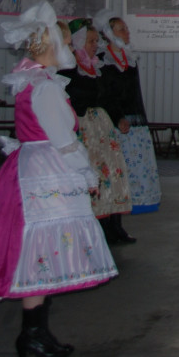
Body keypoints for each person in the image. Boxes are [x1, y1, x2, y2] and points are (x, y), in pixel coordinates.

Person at [0, 1, 117, 357]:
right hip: (46, 170)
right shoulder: (44, 86)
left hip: (34, 166)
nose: (67, 50)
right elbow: (63, 140)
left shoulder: (32, 78)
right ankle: (33, 334)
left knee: (39, 254)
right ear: (52, 44)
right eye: (65, 43)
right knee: (41, 251)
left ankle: (36, 333)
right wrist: (85, 173)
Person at [59, 19, 134, 244]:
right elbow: (72, 99)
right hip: (85, 128)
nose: (95, 45)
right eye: (91, 41)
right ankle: (99, 227)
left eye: (96, 41)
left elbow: (108, 97)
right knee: (95, 176)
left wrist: (118, 116)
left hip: (102, 127)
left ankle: (115, 225)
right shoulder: (70, 69)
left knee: (113, 173)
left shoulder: (97, 66)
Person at [94, 10, 161, 216]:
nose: (127, 32)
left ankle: (128, 211)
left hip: (134, 120)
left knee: (136, 167)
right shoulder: (102, 61)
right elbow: (105, 94)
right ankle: (113, 215)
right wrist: (117, 116)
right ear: (109, 33)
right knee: (115, 171)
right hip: (113, 121)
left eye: (126, 29)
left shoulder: (129, 58)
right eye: (122, 29)